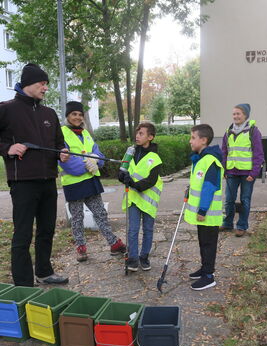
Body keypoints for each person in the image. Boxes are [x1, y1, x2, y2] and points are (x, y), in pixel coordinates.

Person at [0, 63, 70, 286]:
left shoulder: (48, 113)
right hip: (23, 183)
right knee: (23, 235)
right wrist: (7, 149)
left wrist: (63, 152)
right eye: (42, 83)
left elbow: (60, 142)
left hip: (48, 180)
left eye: (47, 84)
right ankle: (23, 285)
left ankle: (44, 271)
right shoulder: (6, 109)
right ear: (29, 82)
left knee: (47, 230)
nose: (45, 88)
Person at [58, 101, 126, 262]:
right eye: (74, 114)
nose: (78, 117)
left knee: (100, 213)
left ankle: (113, 243)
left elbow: (99, 155)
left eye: (80, 115)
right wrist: (89, 163)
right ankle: (81, 248)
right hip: (73, 184)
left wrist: (95, 160)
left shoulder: (86, 133)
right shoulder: (61, 133)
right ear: (68, 115)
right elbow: (67, 164)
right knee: (77, 217)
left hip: (90, 182)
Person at [118, 122, 163, 272]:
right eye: (137, 133)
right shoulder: (130, 152)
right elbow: (121, 172)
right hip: (133, 200)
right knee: (132, 230)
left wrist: (133, 183)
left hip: (148, 200)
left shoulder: (154, 157)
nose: (137, 136)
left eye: (141, 133)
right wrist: (122, 177)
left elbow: (152, 180)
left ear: (150, 137)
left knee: (148, 229)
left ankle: (144, 257)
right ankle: (132, 258)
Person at [184, 124, 224, 291]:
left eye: (193, 137)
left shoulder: (210, 161)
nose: (190, 141)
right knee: (203, 242)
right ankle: (204, 268)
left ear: (204, 140)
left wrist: (202, 210)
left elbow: (209, 187)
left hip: (208, 214)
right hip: (204, 216)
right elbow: (199, 184)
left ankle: (209, 276)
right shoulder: (200, 159)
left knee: (208, 244)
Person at [220, 103, 264, 237]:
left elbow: (258, 154)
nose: (236, 116)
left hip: (247, 174)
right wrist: (225, 170)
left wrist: (254, 173)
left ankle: (241, 226)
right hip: (231, 173)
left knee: (245, 200)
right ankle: (227, 224)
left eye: (238, 113)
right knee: (229, 200)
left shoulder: (253, 131)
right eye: (234, 114)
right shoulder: (228, 132)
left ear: (245, 115)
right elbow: (224, 152)